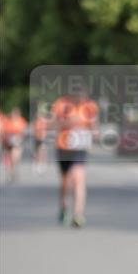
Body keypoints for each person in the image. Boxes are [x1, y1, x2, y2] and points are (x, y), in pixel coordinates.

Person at [52, 92, 99, 226]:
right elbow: (54, 123)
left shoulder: (90, 106)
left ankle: (78, 214)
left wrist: (93, 133)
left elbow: (94, 126)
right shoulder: (61, 104)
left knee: (79, 178)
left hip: (80, 148)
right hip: (64, 147)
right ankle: (64, 206)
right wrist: (68, 123)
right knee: (65, 182)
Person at [0, 107, 27, 182]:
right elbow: (3, 132)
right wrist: (5, 139)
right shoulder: (7, 121)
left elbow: (23, 132)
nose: (14, 115)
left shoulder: (21, 121)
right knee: (8, 158)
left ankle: (14, 171)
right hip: (7, 142)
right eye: (13, 113)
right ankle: (9, 173)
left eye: (16, 114)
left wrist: (19, 137)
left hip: (17, 142)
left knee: (15, 158)